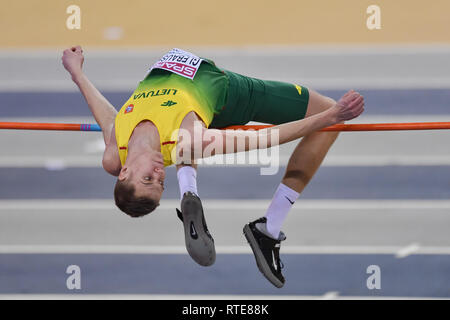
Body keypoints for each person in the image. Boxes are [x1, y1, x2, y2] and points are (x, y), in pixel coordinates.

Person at [62, 46, 364, 288]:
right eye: (160, 182)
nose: (157, 173)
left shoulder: (115, 154)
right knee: (324, 114)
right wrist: (329, 117)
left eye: (148, 178)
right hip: (230, 94)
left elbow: (106, 114)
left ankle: (189, 191)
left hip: (187, 103)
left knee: (183, 145)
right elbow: (264, 139)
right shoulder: (189, 140)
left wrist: (77, 73)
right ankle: (268, 228)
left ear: (124, 172)